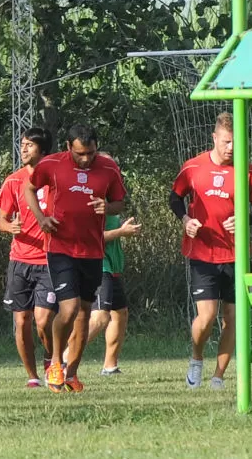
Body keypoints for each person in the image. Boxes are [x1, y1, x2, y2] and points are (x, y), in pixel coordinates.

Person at [170, 112, 252, 390]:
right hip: (202, 253)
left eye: (235, 143)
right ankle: (196, 358)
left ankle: (218, 376)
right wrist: (186, 220)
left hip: (236, 256)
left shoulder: (248, 171)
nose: (231, 148)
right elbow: (175, 198)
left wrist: (245, 219)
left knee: (232, 318)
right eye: (226, 142)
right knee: (206, 317)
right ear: (214, 138)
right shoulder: (193, 167)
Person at [25, 124, 126, 393]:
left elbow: (119, 202)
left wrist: (108, 206)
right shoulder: (52, 164)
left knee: (83, 314)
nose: (86, 159)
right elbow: (29, 189)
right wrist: (41, 218)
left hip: (93, 251)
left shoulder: (108, 168)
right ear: (68, 147)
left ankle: (72, 374)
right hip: (60, 248)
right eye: (80, 153)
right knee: (67, 310)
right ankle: (55, 363)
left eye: (90, 153)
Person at [0, 127, 56, 388]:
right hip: (20, 260)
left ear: (43, 151)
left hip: (49, 260)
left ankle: (50, 358)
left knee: (43, 321)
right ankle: (32, 376)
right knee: (21, 321)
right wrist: (9, 227)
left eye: (30, 145)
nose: (23, 149)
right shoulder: (13, 181)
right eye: (22, 144)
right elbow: (1, 219)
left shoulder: (57, 180)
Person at [87, 152, 142, 376]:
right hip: (98, 265)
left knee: (120, 314)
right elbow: (92, 237)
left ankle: (110, 366)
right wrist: (121, 232)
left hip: (113, 265)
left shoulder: (112, 199)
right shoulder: (89, 197)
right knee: (100, 317)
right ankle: (64, 358)